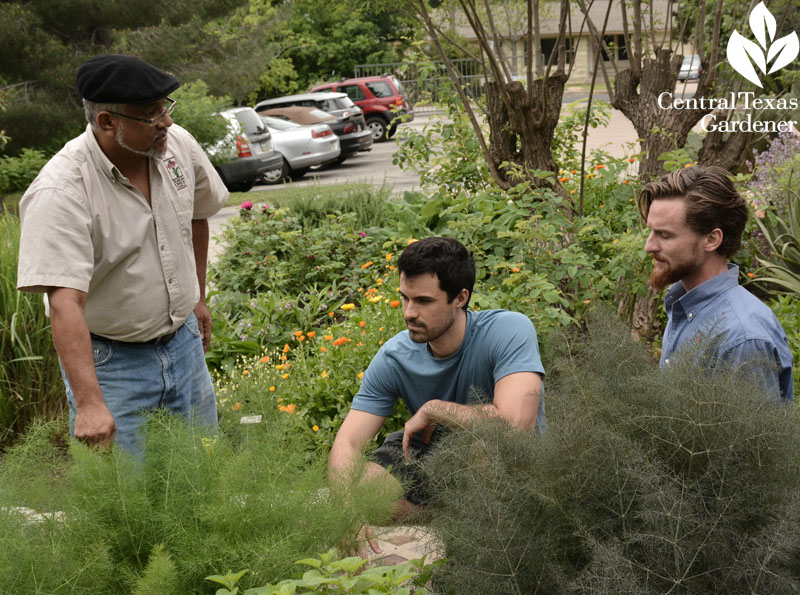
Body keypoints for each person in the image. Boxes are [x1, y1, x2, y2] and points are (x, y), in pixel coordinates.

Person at [17, 54, 229, 453]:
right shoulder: (60, 192)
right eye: (150, 113)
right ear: (107, 122)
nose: (165, 120)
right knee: (125, 499)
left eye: (166, 107)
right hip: (111, 363)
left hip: (183, 345)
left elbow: (198, 214)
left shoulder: (176, 144)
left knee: (201, 476)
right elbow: (65, 303)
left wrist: (198, 297)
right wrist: (91, 403)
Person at [328, 236, 546, 553]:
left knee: (486, 450)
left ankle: (479, 550)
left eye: (424, 302)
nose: (408, 312)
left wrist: (436, 409)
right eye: (405, 298)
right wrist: (346, 511)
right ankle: (449, 518)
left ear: (460, 297)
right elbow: (347, 441)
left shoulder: (508, 330)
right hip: (431, 454)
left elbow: (514, 425)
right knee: (365, 492)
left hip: (501, 455)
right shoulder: (394, 356)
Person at [639, 165, 793, 400]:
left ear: (711, 239)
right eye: (650, 232)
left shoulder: (741, 337)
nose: (649, 246)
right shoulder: (684, 306)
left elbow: (751, 437)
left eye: (665, 235)